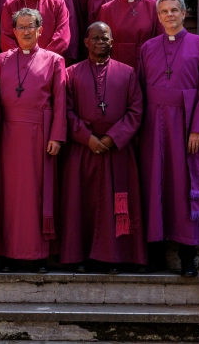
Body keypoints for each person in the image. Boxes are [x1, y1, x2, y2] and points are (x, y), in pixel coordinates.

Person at [138, 0, 199, 277]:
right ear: (158, 17)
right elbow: (139, 91)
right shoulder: (147, 48)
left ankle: (187, 259)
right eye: (164, 11)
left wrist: (197, 129)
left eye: (174, 10)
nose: (169, 15)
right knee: (155, 186)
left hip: (185, 127)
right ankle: (156, 257)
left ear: (185, 14)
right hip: (153, 126)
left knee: (184, 188)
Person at [60, 22, 146, 273]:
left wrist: (112, 137)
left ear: (112, 42)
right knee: (81, 202)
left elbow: (135, 111)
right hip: (83, 150)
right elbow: (65, 110)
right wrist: (87, 138)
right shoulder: (71, 73)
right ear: (85, 42)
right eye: (95, 38)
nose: (100, 42)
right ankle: (80, 257)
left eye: (105, 38)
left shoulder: (128, 73)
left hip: (117, 151)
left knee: (118, 202)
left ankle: (115, 257)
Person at [0, 8, 66, 273]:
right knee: (9, 195)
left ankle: (37, 255)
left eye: (30, 26)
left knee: (36, 194)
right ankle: (9, 254)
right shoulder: (1, 60)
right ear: (13, 31)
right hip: (8, 135)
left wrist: (57, 136)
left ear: (39, 30)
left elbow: (60, 102)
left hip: (40, 135)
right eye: (20, 27)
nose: (25, 31)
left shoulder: (55, 60)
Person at [99, 0, 161, 69]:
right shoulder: (107, 9)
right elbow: (104, 44)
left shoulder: (154, 7)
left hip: (147, 64)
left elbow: (161, 40)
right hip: (118, 67)